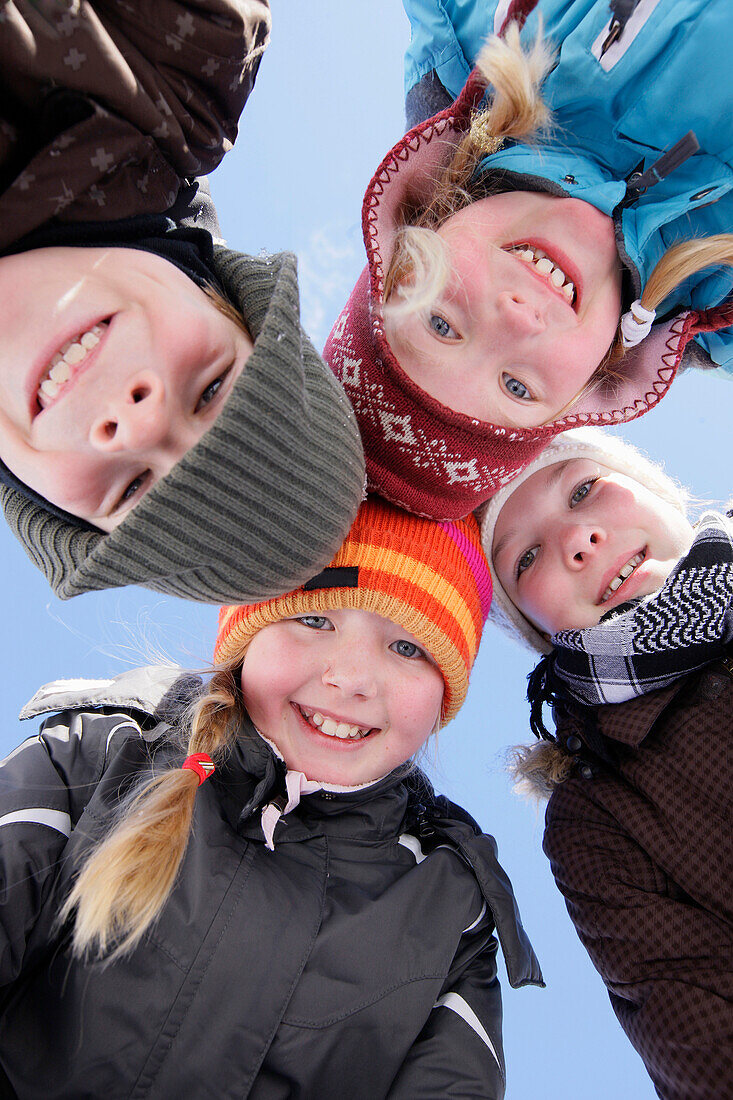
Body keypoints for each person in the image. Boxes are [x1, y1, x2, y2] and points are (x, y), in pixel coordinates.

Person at [0, 496, 542, 1098]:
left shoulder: (449, 908)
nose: (352, 679)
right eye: (314, 620)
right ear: (247, 633)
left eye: (407, 647)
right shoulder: (107, 755)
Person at [0, 0, 365, 603]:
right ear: (220, 295)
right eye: (213, 389)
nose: (138, 423)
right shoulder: (183, 53)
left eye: (134, 490)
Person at [323, 0, 733, 521]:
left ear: (417, 238)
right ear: (591, 386)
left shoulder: (472, 31)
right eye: (517, 388)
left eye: (441, 324)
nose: (516, 320)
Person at [480, 427, 733, 1099]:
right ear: (534, 628)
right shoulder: (598, 815)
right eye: (526, 555)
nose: (576, 539)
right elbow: (703, 1050)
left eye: (584, 488)